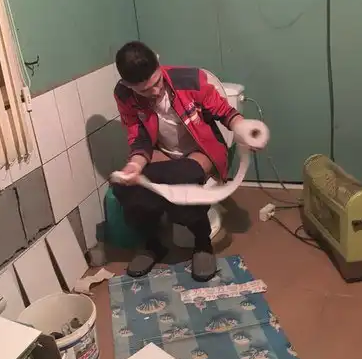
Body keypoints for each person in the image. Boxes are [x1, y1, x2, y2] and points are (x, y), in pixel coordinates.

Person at [112, 41, 268, 282]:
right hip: (163, 151)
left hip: (201, 150)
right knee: (125, 188)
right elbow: (139, 137)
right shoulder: (124, 94)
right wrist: (134, 166)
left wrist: (242, 127)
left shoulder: (189, 80)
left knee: (182, 177)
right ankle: (152, 243)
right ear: (127, 85)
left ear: (158, 61)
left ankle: (202, 242)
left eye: (157, 82)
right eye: (144, 91)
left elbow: (224, 112)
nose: (155, 92)